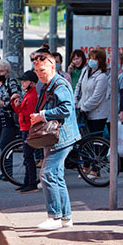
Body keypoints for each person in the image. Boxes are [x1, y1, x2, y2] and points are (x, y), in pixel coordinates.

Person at [29, 52, 81, 231]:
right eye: (36, 71)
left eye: (42, 70)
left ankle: (55, 216)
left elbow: (66, 108)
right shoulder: (50, 84)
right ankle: (66, 218)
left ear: (53, 67)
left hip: (61, 137)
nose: (39, 74)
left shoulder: (58, 84)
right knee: (56, 176)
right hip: (60, 136)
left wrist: (42, 115)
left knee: (47, 174)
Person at [74, 48, 109, 179]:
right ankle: (86, 165)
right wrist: (75, 101)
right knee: (84, 139)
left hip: (97, 114)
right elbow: (78, 86)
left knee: (96, 142)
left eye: (94, 59)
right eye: (90, 58)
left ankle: (95, 169)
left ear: (99, 61)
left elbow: (97, 97)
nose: (91, 61)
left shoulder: (102, 77)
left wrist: (84, 107)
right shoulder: (85, 71)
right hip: (83, 111)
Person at [0, 59, 21, 180]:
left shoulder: (11, 83)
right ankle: (4, 172)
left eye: (1, 71)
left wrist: (4, 103)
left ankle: (8, 172)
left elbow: (17, 100)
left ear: (7, 72)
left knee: (5, 144)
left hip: (7, 118)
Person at [11, 70, 39, 193]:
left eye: (25, 81)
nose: (22, 83)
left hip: (28, 129)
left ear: (32, 83)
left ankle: (31, 182)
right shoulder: (28, 94)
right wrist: (14, 103)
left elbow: (29, 113)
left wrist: (18, 106)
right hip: (25, 128)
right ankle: (27, 182)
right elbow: (20, 112)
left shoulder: (32, 96)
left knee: (28, 156)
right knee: (27, 156)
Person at [107, 51, 123, 172]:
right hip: (108, 110)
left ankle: (121, 164)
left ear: (122, 62)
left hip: (116, 110)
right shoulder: (109, 74)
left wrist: (122, 111)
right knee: (112, 138)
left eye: (116, 61)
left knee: (118, 138)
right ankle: (115, 162)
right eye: (111, 60)